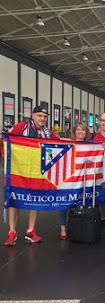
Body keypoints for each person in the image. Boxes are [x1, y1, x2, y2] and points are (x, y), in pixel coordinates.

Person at [4, 105, 59, 246]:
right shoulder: (22, 127)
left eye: (45, 117)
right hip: (19, 171)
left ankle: (30, 230)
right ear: (33, 115)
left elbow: (59, 144)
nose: (43, 119)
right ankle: (12, 231)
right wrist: (8, 161)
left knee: (35, 200)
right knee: (15, 198)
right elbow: (6, 139)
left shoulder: (47, 132)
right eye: (40, 115)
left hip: (36, 172)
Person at [58, 123, 91, 240]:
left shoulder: (90, 146)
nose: (81, 132)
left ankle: (79, 226)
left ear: (86, 133)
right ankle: (63, 227)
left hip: (83, 179)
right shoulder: (68, 144)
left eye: (83, 130)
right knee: (64, 203)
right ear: (74, 132)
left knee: (82, 202)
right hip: (68, 177)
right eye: (78, 130)